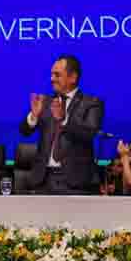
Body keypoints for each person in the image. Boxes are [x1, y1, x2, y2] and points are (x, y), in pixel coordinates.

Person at [19, 55, 103, 194]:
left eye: (57, 75)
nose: (52, 79)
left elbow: (89, 133)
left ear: (73, 77)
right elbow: (24, 132)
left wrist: (64, 120)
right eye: (51, 74)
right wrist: (33, 116)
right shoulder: (45, 102)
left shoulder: (92, 103)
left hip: (75, 183)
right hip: (43, 180)